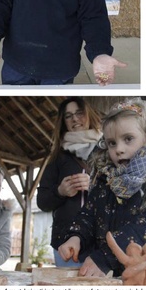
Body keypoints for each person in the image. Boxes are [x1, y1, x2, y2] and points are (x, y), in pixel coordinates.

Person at [57, 99, 146, 277]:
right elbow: (89, 215)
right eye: (112, 143)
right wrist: (76, 237)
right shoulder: (105, 178)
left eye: (128, 139)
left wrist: (106, 257)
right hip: (122, 275)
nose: (119, 149)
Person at [37, 98, 102, 267]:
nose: (75, 119)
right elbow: (42, 201)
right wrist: (60, 191)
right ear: (63, 122)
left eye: (79, 113)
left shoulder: (107, 151)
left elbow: (121, 192)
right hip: (65, 244)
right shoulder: (57, 157)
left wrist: (93, 186)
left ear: (89, 114)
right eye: (68, 116)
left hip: (101, 243)